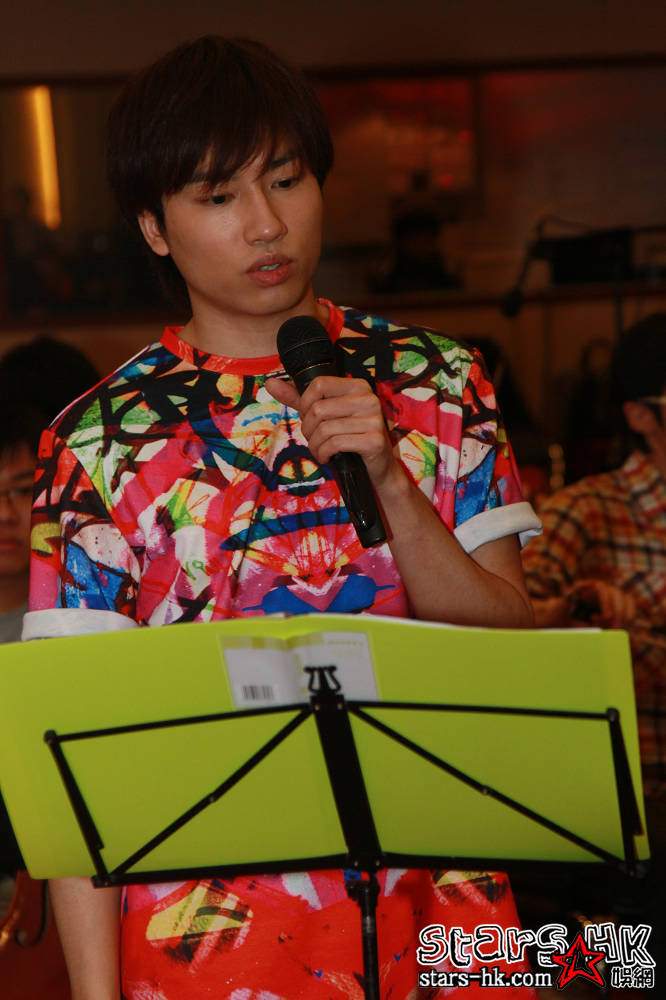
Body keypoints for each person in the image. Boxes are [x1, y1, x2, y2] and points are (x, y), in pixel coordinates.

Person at [25, 37, 540, 999]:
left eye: (287, 180)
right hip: (212, 945)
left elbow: (513, 644)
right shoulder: (97, 442)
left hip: (447, 917)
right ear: (154, 228)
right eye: (219, 197)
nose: (266, 225)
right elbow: (75, 768)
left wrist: (390, 479)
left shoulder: (437, 379)